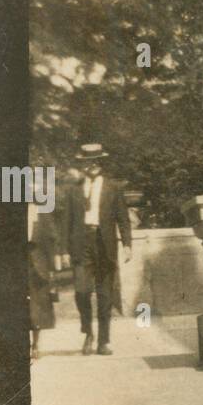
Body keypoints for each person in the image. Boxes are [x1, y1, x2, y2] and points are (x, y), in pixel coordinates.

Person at [64, 143, 132, 356]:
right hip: (81, 243)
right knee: (81, 291)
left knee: (105, 294)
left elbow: (123, 219)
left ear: (101, 162)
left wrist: (128, 244)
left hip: (105, 244)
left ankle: (103, 341)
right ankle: (88, 332)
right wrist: (64, 250)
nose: (91, 165)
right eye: (87, 161)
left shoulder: (113, 187)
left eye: (95, 161)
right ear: (82, 164)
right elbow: (67, 221)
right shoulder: (73, 189)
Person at [28, 198, 60, 362]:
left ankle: (35, 345)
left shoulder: (43, 212)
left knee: (36, 307)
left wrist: (52, 268)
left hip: (38, 266)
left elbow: (51, 239)